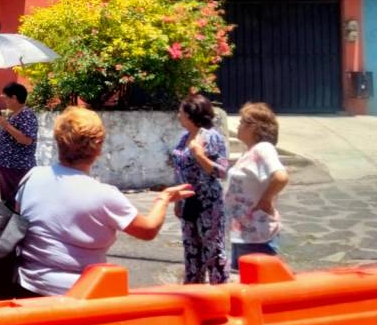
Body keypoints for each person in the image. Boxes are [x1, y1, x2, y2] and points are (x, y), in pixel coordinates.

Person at [16, 107, 193, 297]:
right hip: (78, 294)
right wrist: (163, 198)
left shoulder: (33, 176)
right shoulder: (104, 195)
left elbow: (20, 219)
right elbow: (148, 230)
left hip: (26, 286)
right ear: (98, 146)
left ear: (59, 141)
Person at [172, 94, 230, 285]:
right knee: (191, 249)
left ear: (191, 114)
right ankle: (193, 293)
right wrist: (178, 200)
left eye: (181, 112)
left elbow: (222, 172)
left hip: (208, 203)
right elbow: (179, 168)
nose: (178, 115)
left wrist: (200, 156)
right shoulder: (184, 137)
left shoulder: (212, 137)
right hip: (188, 200)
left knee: (212, 249)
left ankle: (219, 294)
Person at [224, 103, 289, 272]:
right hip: (244, 233)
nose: (238, 126)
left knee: (260, 284)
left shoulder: (263, 148)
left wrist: (265, 200)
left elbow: (280, 177)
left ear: (254, 127)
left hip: (257, 234)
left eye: (242, 121)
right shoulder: (250, 152)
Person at [0, 82, 38, 209]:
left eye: (6, 98)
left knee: (16, 203)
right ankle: (8, 227)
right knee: (7, 202)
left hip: (18, 166)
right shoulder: (13, 115)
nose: (5, 101)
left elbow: (27, 140)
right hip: (6, 166)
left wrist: (6, 126)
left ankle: (15, 227)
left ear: (14, 98)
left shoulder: (26, 115)